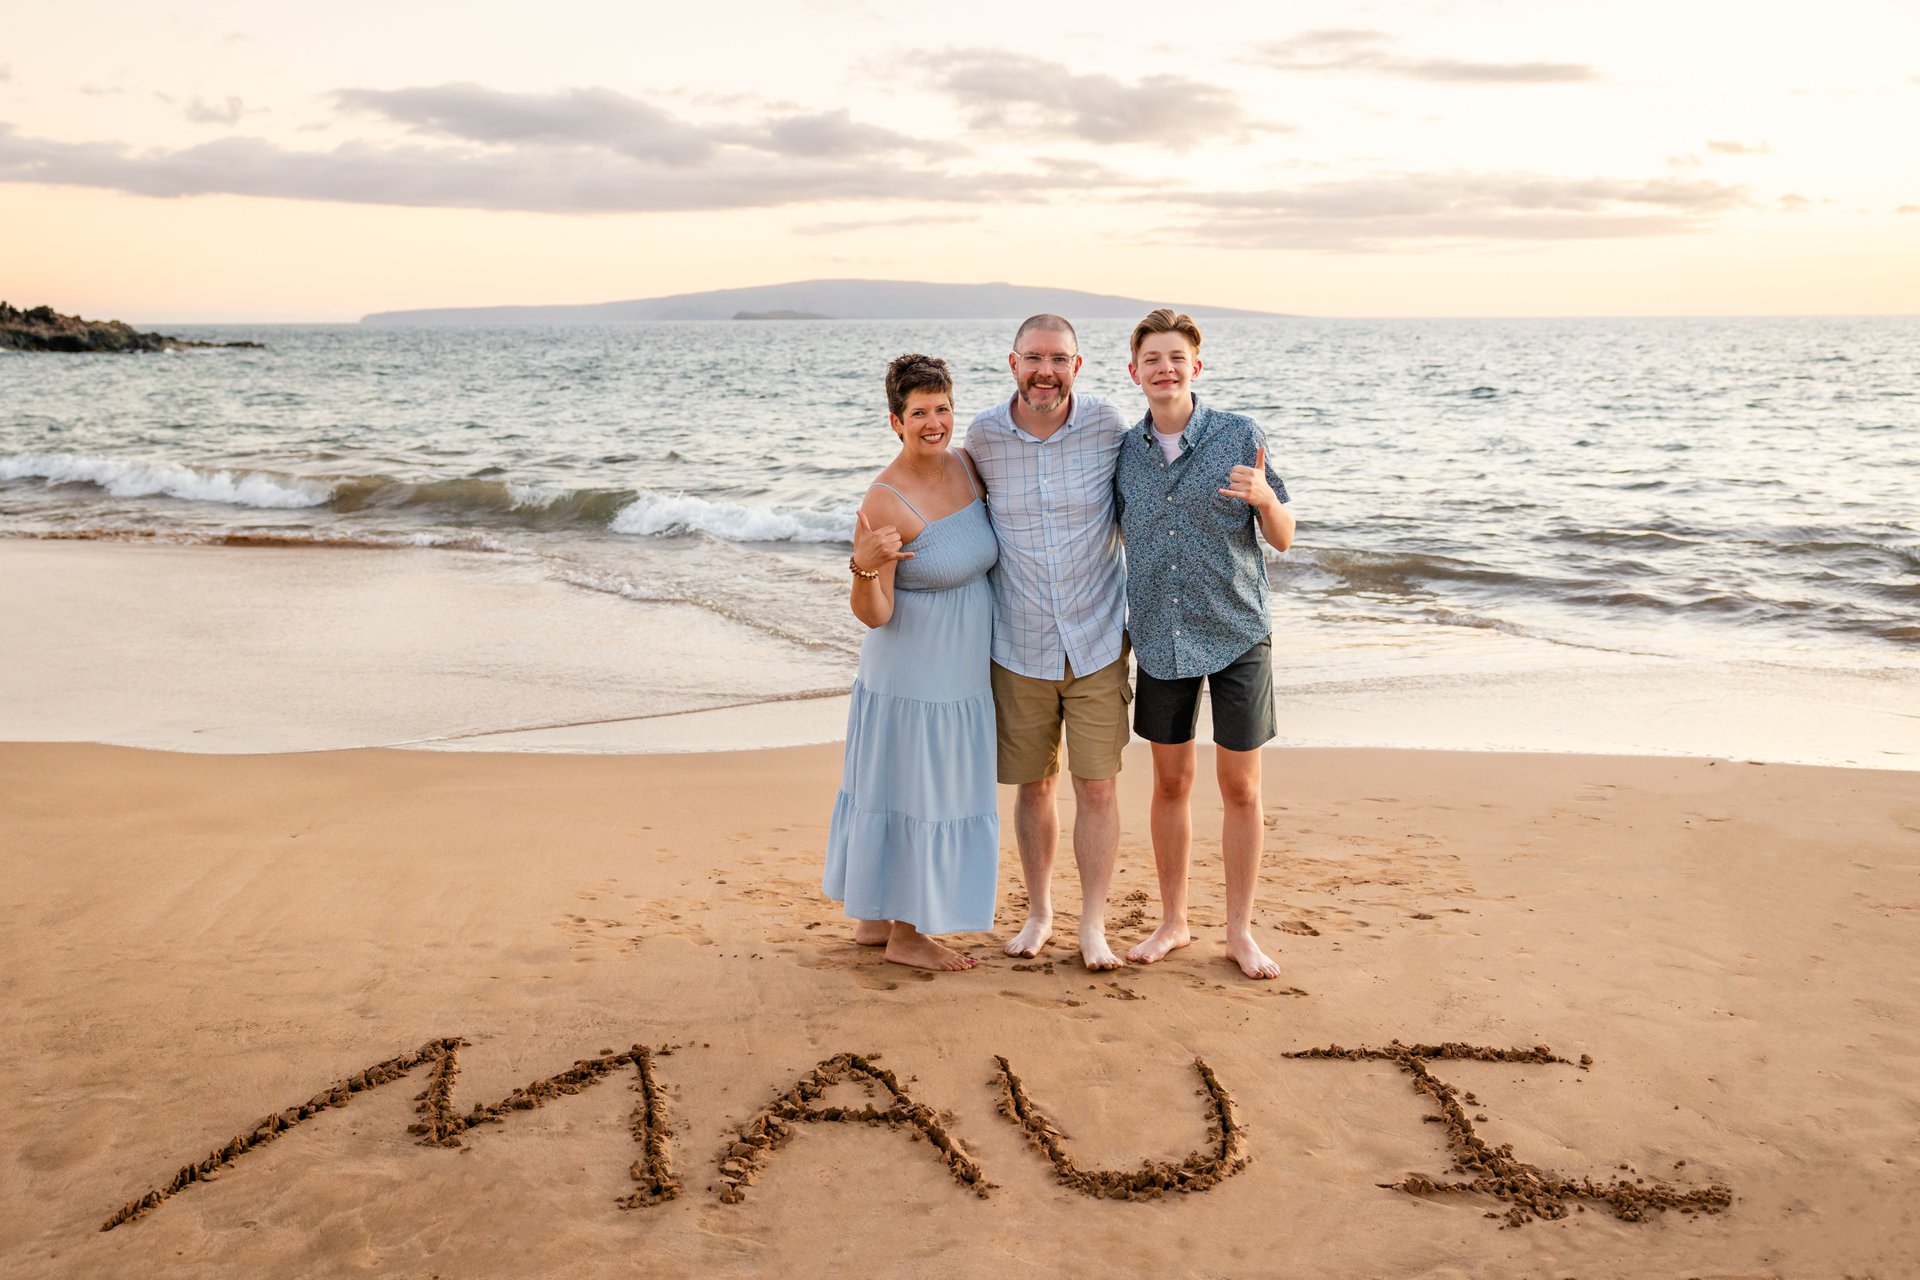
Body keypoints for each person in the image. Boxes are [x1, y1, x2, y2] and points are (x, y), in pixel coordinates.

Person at [1114, 309, 1296, 979]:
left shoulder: (1238, 435)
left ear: (1196, 366)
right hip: (1161, 635)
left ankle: (1240, 932)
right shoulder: (1124, 451)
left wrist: (1264, 502)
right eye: (1152, 359)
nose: (1165, 368)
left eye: (1176, 357)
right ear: (1135, 373)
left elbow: (1284, 536)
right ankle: (1173, 921)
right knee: (1170, 782)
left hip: (1238, 628)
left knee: (1240, 786)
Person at [964, 315, 1132, 971]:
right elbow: (946, 501)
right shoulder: (981, 435)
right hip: (1018, 642)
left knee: (1096, 789)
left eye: (1058, 358)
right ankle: (1039, 912)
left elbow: (1153, 490)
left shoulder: (1106, 425)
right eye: (1034, 357)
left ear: (1078, 366)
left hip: (1096, 639)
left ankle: (1093, 925)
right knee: (1034, 787)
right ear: (1012, 363)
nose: (1046, 370)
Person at [823, 353, 1000, 972]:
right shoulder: (885, 499)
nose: (934, 422)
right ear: (895, 421)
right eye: (919, 412)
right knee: (919, 791)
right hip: (914, 670)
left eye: (943, 408)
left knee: (906, 787)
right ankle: (907, 934)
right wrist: (865, 564)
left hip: (960, 668)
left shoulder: (969, 468)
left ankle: (874, 919)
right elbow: (873, 613)